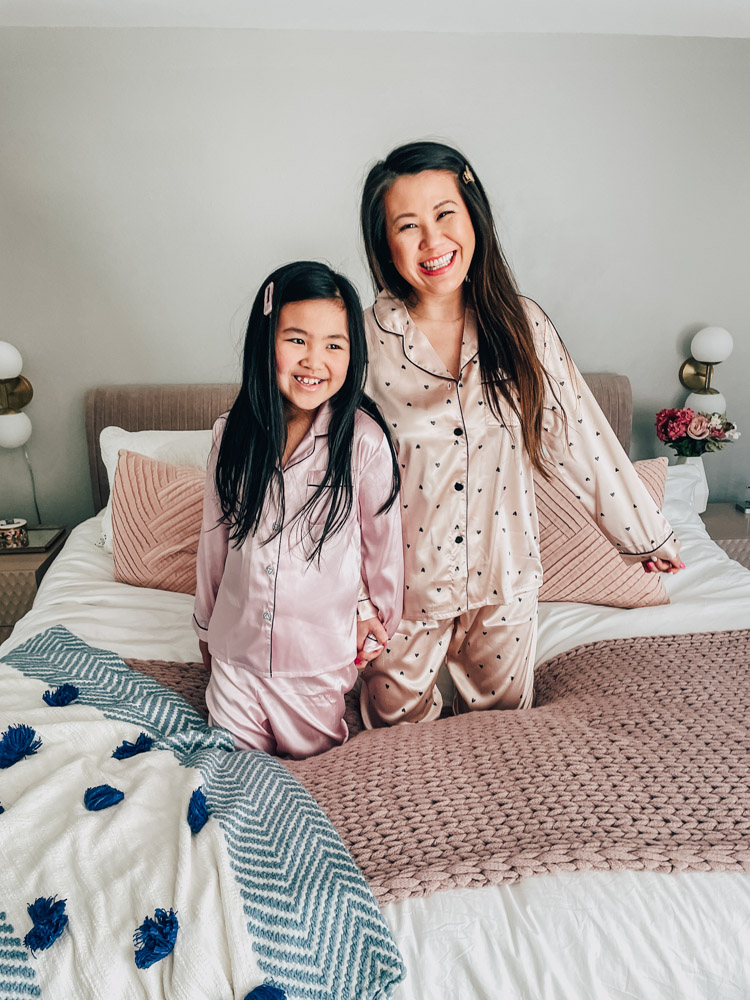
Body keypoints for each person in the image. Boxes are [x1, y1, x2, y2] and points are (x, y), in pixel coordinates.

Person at [356, 140, 683, 728]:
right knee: (393, 750)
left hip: (503, 581)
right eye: (408, 226)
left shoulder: (521, 326)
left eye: (445, 214)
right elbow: (328, 471)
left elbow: (581, 431)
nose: (432, 241)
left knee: (503, 748)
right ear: (386, 243)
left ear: (472, 214)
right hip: (404, 593)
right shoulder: (365, 342)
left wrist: (645, 534)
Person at [193, 261, 403, 758]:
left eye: (334, 345)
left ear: (353, 354)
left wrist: (376, 622)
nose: (314, 361)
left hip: (314, 663)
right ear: (266, 341)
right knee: (229, 773)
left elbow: (382, 553)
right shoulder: (232, 435)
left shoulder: (364, 444)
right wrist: (205, 629)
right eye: (296, 340)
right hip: (235, 655)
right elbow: (213, 541)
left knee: (310, 777)